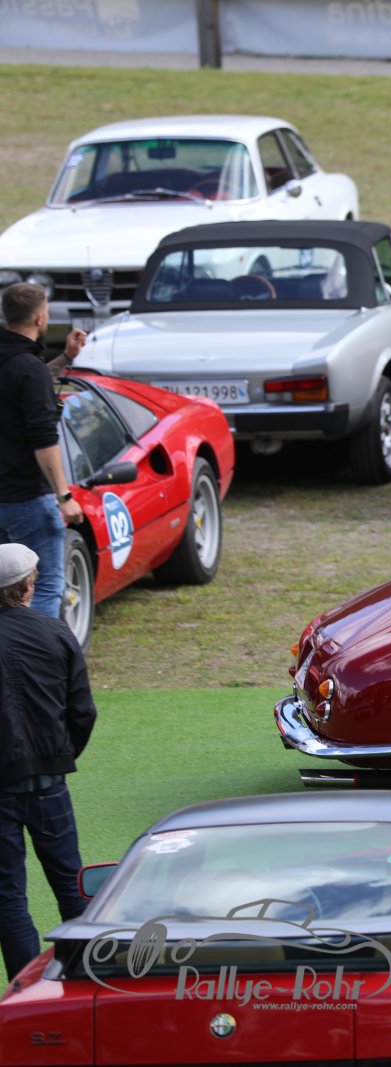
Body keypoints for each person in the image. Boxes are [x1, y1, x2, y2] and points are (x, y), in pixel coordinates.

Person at [0, 543, 97, 979]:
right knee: (71, 885)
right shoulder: (56, 632)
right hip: (50, 784)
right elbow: (83, 712)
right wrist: (59, 755)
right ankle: (83, 978)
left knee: (7, 897)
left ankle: (24, 992)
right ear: (28, 585)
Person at [0, 283, 87, 622]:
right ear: (39, 318)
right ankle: (36, 652)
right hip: (26, 500)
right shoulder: (28, 368)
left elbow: (22, 383)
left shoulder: (19, 364)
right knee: (46, 584)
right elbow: (44, 440)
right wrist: (64, 495)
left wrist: (66, 358)